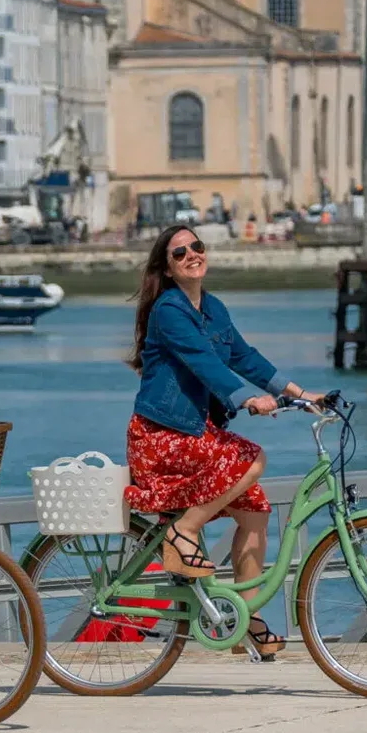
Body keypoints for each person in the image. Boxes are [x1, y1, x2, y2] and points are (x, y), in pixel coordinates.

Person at [124, 221, 323, 660]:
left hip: (196, 433)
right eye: (180, 252)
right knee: (251, 457)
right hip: (161, 436)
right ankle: (184, 530)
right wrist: (247, 398)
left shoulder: (213, 308)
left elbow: (242, 356)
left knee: (255, 512)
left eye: (197, 246)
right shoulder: (169, 311)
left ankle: (243, 622)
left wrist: (300, 394)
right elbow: (203, 363)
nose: (192, 254)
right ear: (169, 269)